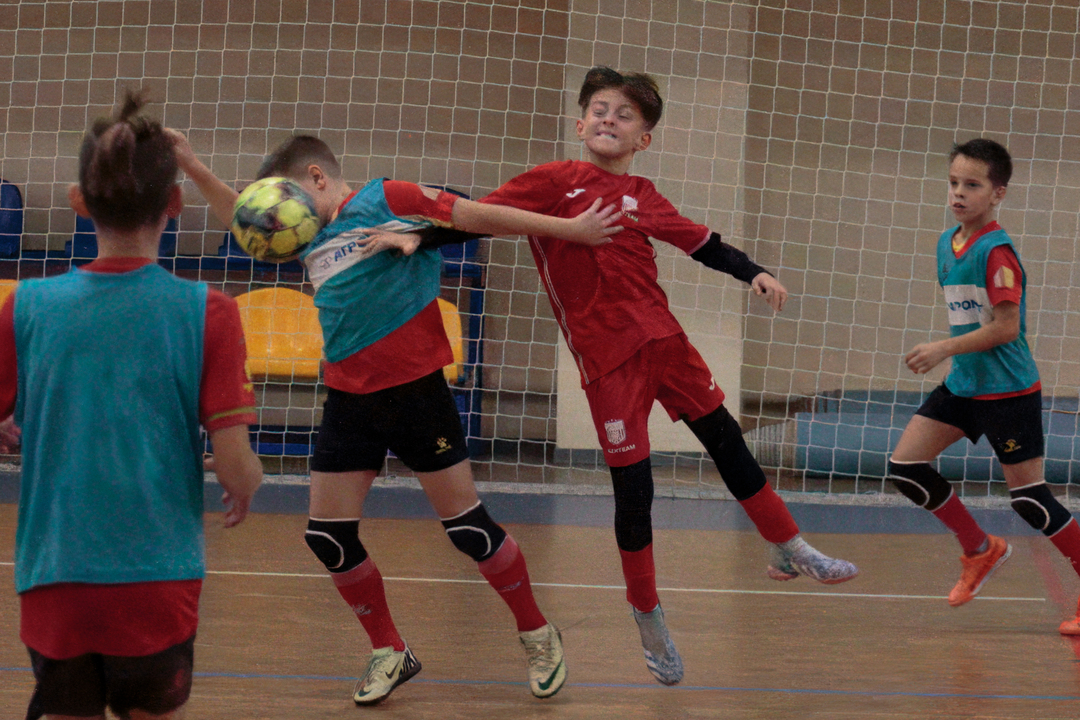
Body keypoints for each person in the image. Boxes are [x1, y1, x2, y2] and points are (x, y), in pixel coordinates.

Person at [171, 131, 621, 704]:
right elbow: (242, 215)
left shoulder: (388, 199)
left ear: (316, 178)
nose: (278, 216)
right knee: (328, 538)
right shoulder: (304, 232)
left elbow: (482, 215)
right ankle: (389, 649)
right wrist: (192, 164)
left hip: (416, 395)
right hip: (349, 399)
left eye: (286, 198)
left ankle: (537, 633)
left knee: (469, 530)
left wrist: (571, 229)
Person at [471, 66, 860, 686]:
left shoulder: (643, 193)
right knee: (636, 492)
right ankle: (648, 615)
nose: (609, 119)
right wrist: (410, 234)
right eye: (600, 109)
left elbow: (701, 243)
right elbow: (472, 214)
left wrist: (754, 271)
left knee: (728, 442)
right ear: (580, 123)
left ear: (643, 138)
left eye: (624, 115)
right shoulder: (554, 181)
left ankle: (790, 544)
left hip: (666, 343)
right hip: (608, 362)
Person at [1, 91, 264, 720]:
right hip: (158, 578)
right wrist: (244, 481)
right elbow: (236, 469)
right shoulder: (209, 312)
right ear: (174, 203)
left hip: (55, 575)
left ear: (78, 202)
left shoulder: (25, 307)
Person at [887, 138, 1080, 631]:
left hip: (1008, 391)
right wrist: (954, 359)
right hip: (964, 385)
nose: (958, 193)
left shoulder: (997, 253)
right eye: (954, 182)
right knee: (906, 468)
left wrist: (942, 348)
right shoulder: (946, 243)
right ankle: (979, 549)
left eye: (972, 185)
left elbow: (1006, 328)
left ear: (997, 193)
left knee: (1030, 500)